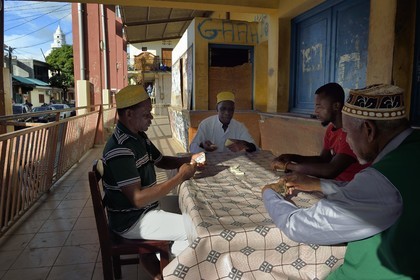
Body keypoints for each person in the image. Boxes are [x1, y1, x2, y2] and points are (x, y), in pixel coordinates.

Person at [262, 84, 420, 279]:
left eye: (348, 133)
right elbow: (374, 194)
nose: (348, 142)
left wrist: (270, 195)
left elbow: (299, 226)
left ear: (369, 130)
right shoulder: (409, 152)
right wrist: (320, 184)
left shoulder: (380, 180)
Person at [102, 85, 204, 280]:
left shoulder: (138, 137)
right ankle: (170, 271)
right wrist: (180, 177)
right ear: (129, 114)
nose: (151, 118)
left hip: (145, 210)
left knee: (192, 213)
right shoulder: (120, 148)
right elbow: (138, 199)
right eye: (146, 114)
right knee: (197, 230)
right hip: (133, 220)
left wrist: (191, 158)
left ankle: (161, 261)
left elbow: (162, 161)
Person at [271, 82, 368, 181]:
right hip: (335, 184)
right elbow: (323, 159)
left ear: (336, 106)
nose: (315, 111)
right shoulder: (331, 129)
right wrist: (292, 157)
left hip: (351, 187)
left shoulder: (350, 133)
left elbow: (330, 171)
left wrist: (288, 166)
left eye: (319, 107)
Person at [189, 91, 257, 153]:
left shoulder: (239, 127)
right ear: (217, 109)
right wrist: (203, 146)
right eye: (223, 109)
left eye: (230, 109)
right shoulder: (206, 124)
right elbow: (193, 148)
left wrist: (243, 144)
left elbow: (255, 148)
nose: (227, 113)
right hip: (211, 163)